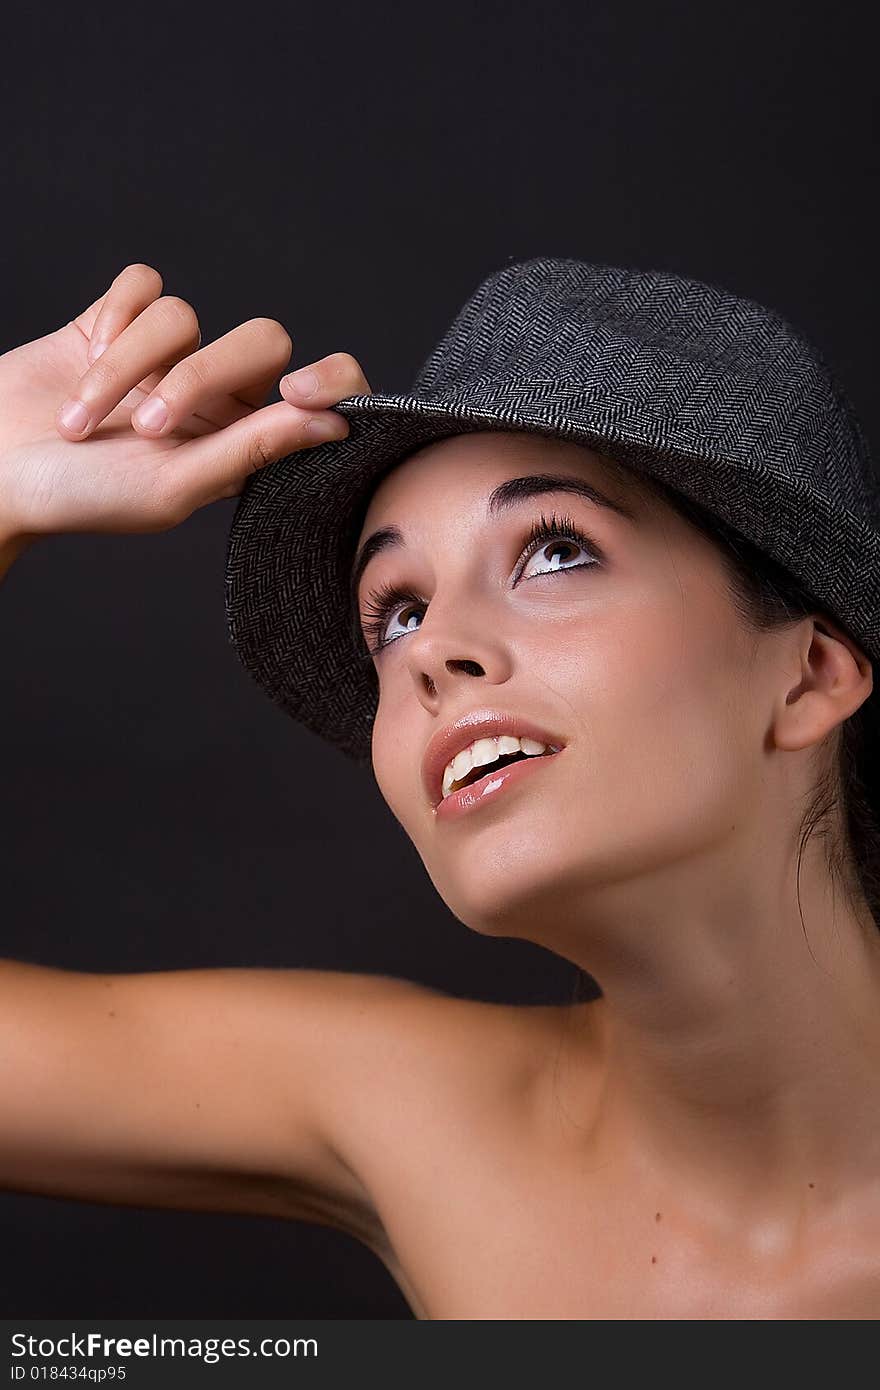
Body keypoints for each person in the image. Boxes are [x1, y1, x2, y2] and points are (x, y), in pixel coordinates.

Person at [1, 259, 879, 1320]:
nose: (433, 652)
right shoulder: (413, 1117)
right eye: (398, 613)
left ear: (811, 672)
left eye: (554, 551)